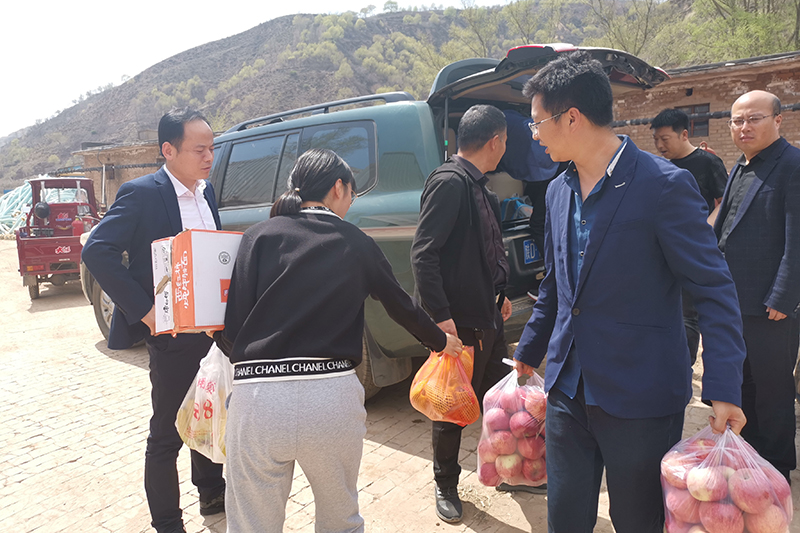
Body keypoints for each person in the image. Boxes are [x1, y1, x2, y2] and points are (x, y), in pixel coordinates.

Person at [512, 52, 747, 533]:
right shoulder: (558, 191)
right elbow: (557, 284)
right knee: (565, 515)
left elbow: (713, 287)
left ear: (571, 118)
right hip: (567, 387)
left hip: (640, 392)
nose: (534, 134)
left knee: (637, 519)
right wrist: (530, 350)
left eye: (537, 122)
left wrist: (724, 386)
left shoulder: (663, 186)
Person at [219, 148, 461, 533]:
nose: (351, 201)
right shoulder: (356, 242)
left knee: (251, 525)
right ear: (338, 187)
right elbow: (401, 306)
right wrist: (440, 341)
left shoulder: (257, 236)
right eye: (352, 193)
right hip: (330, 399)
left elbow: (229, 331)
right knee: (340, 521)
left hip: (258, 401)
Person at [81, 109, 226, 533]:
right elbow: (97, 251)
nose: (209, 157)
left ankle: (211, 493)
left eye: (212, 148)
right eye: (199, 149)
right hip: (171, 336)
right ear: (169, 150)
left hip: (213, 333)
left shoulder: (206, 193)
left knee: (207, 415)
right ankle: (167, 522)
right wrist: (146, 313)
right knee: (166, 434)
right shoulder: (142, 193)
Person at [411, 104, 518, 524]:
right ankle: (445, 483)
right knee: (452, 406)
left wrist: (500, 293)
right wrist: (440, 317)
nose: (505, 147)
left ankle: (505, 469)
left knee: (498, 399)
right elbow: (424, 253)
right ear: (495, 141)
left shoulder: (480, 187)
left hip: (488, 315)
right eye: (506, 141)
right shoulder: (449, 182)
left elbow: (487, 249)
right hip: (460, 323)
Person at [713, 90, 800, 482]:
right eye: (737, 120)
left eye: (754, 118)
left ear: (778, 120)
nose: (743, 127)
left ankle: (777, 468)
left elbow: (797, 239)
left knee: (773, 390)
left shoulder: (792, 165)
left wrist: (784, 295)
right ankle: (748, 457)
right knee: (741, 384)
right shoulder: (741, 166)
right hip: (734, 300)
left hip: (770, 304)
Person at [651, 108, 729, 364]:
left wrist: (703, 228)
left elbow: (724, 202)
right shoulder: (659, 166)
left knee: (687, 314)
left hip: (694, 248)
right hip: (664, 247)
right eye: (656, 139)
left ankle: (683, 367)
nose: (660, 146)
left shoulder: (708, 162)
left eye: (665, 139)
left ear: (684, 134)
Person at [499, 109, 564, 262]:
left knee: (538, 224)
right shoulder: (512, 117)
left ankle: (555, 268)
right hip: (551, 164)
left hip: (550, 164)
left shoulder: (501, 124)